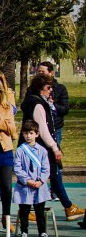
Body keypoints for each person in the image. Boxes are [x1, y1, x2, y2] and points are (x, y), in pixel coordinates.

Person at [19, 73, 83, 221]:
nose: (50, 90)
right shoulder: (38, 105)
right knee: (52, 175)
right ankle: (67, 207)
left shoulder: (36, 102)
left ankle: (29, 208)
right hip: (39, 148)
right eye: (48, 87)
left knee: (43, 176)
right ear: (40, 89)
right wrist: (54, 147)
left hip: (34, 147)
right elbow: (42, 129)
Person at [14, 120, 53, 237]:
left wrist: (41, 181)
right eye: (25, 133)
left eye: (31, 133)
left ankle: (42, 232)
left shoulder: (42, 151)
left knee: (39, 211)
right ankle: (24, 232)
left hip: (39, 187)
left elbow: (46, 168)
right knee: (24, 210)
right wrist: (27, 180)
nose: (28, 136)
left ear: (37, 134)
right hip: (25, 186)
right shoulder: (20, 150)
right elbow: (17, 168)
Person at [0, 77, 18, 230]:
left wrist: (0, 121)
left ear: (0, 92)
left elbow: (13, 131)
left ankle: (6, 217)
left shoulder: (6, 107)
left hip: (4, 150)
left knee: (6, 187)